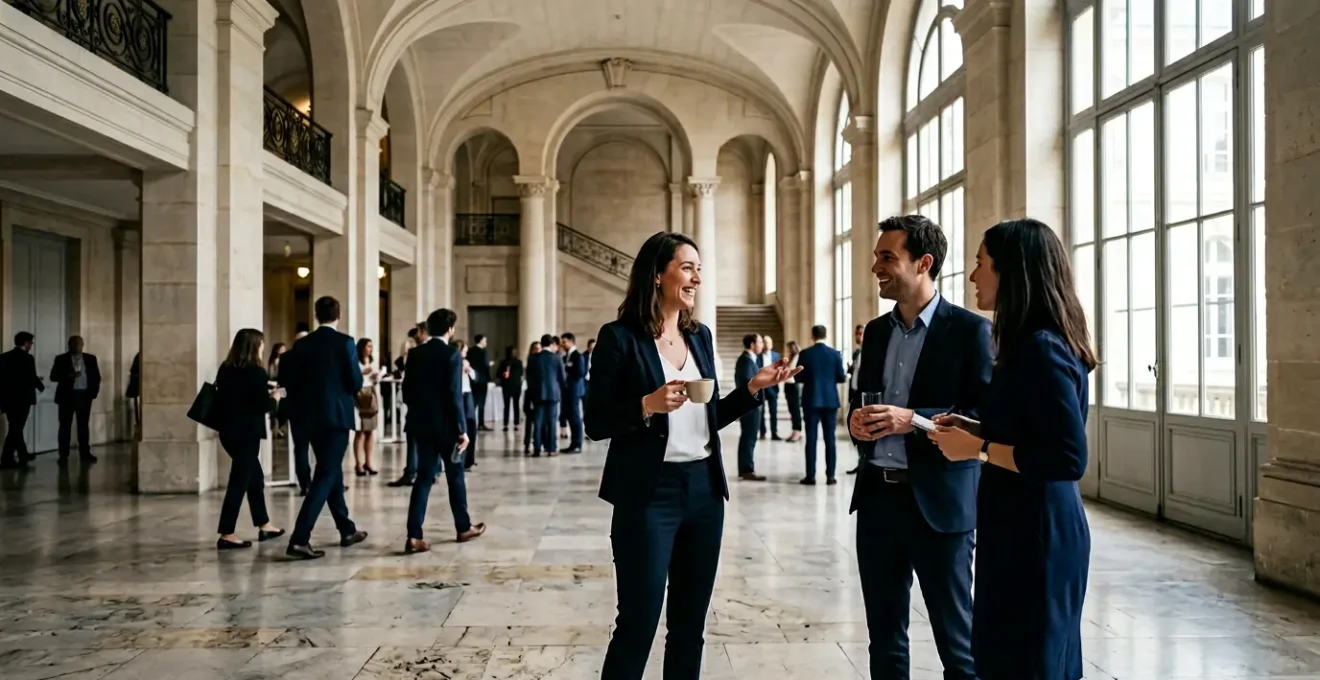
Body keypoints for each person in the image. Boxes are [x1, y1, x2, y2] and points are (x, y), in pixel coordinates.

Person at [586, 231, 798, 680]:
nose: (697, 278)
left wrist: (752, 390)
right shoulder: (619, 338)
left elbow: (709, 417)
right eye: (687, 267)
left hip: (703, 491)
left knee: (689, 627)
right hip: (648, 494)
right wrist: (646, 404)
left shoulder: (698, 336)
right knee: (639, 622)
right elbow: (595, 422)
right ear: (657, 274)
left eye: (699, 269)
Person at [928, 218, 1095, 680]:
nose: (972, 276)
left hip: (1039, 531)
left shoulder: (1041, 347)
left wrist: (977, 448)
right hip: (1019, 523)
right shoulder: (1028, 344)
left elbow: (1066, 458)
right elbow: (1032, 429)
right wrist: (975, 426)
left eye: (981, 264)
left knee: (1030, 661)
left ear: (1013, 272)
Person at [847, 215, 993, 680]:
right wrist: (856, 421)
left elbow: (982, 417)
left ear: (924, 263)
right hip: (877, 500)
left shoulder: (970, 331)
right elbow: (863, 403)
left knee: (958, 642)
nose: (876, 267)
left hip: (941, 502)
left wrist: (914, 420)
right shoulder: (877, 332)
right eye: (876, 256)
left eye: (887, 257)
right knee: (884, 638)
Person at [284, 296, 369, 560]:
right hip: (335, 417)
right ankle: (299, 539)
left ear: (316, 314)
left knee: (332, 473)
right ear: (338, 314)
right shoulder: (344, 342)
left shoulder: (302, 344)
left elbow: (292, 380)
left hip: (308, 417)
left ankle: (346, 529)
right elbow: (355, 381)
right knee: (325, 475)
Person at [402, 308, 485, 552]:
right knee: (455, 476)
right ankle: (463, 527)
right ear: (450, 330)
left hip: (421, 425)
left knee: (424, 478)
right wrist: (461, 429)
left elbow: (407, 392)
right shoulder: (451, 355)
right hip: (447, 428)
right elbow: (453, 395)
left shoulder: (415, 354)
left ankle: (414, 534)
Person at [213, 328, 284, 550]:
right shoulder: (256, 372)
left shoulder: (225, 369)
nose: (263, 347)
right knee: (239, 481)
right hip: (246, 434)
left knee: (255, 478)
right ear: (255, 346)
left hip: (228, 432)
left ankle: (264, 524)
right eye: (261, 343)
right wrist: (275, 397)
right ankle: (227, 533)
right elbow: (261, 406)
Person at [796, 325, 847, 485]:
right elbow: (841, 377)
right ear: (826, 335)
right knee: (830, 439)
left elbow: (798, 378)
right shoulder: (835, 354)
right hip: (830, 401)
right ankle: (830, 476)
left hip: (811, 400)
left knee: (810, 438)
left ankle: (810, 476)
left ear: (812, 335)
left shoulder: (805, 354)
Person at [50, 335, 101, 465]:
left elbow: (96, 377)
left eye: (79, 344)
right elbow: (53, 376)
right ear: (69, 345)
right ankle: (63, 455)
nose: (77, 347)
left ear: (83, 345)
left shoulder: (90, 359)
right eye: (74, 344)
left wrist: (93, 393)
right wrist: (68, 375)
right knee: (65, 427)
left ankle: (85, 453)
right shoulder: (61, 359)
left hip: (84, 396)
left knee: (83, 426)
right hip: (67, 397)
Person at [390, 323, 430, 488]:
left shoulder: (416, 353)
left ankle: (411, 472)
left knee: (413, 439)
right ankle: (429, 472)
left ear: (423, 332)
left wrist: (409, 400)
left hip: (417, 404)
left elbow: (408, 383)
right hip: (432, 405)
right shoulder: (445, 352)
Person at [0, 332, 44, 469]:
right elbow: (31, 377)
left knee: (15, 428)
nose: (31, 345)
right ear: (25, 343)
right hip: (23, 399)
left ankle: (21, 455)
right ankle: (8, 459)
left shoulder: (3, 357)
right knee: (16, 429)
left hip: (8, 399)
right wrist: (40, 385)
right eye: (30, 343)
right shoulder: (28, 358)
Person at [279, 331, 312, 494]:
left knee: (301, 448)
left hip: (295, 409)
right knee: (322, 449)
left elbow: (282, 386)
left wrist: (283, 407)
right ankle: (325, 483)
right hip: (316, 408)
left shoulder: (285, 358)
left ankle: (305, 483)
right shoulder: (316, 357)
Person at [733, 334, 767, 482]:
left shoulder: (750, 359)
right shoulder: (746, 361)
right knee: (749, 437)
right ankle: (746, 469)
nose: (762, 345)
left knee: (750, 437)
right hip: (749, 407)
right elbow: (748, 386)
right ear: (752, 344)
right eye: (760, 342)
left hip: (751, 406)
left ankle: (747, 468)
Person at [527, 333, 566, 457]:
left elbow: (529, 378)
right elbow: (562, 377)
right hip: (553, 394)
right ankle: (551, 448)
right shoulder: (557, 357)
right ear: (552, 344)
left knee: (538, 423)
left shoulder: (533, 358)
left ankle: (537, 448)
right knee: (551, 422)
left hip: (537, 394)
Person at [352, 338, 380, 477]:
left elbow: (374, 379)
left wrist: (376, 376)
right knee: (360, 432)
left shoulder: (372, 361)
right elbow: (352, 379)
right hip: (360, 394)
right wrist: (362, 374)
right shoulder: (355, 362)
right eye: (368, 346)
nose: (370, 349)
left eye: (371, 346)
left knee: (370, 431)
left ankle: (368, 462)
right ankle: (358, 464)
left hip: (371, 393)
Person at [454, 340, 480, 469]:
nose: (466, 351)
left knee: (471, 426)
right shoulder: (453, 362)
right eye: (464, 349)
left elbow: (475, 377)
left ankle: (470, 459)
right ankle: (461, 459)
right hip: (459, 394)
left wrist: (468, 370)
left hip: (467, 394)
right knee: (461, 427)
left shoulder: (466, 362)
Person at [560, 332, 586, 453]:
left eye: (564, 342)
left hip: (574, 390)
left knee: (575, 417)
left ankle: (577, 444)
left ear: (571, 341)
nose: (562, 344)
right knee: (570, 416)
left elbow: (581, 372)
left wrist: (569, 371)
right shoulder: (566, 356)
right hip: (567, 392)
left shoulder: (577, 356)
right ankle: (573, 443)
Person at [758, 336, 782, 440]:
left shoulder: (777, 356)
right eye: (765, 342)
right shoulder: (758, 356)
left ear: (771, 344)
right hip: (761, 387)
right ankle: (762, 433)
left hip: (772, 388)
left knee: (773, 412)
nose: (767, 344)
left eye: (768, 342)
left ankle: (774, 433)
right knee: (761, 412)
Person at [497, 346, 524, 431]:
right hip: (511, 385)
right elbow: (498, 374)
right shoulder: (507, 362)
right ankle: (508, 423)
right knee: (510, 405)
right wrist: (503, 375)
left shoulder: (517, 362)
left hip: (512, 386)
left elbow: (521, 373)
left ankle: (513, 423)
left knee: (512, 405)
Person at [469, 335, 492, 431]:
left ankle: (471, 423)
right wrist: (490, 378)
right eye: (485, 340)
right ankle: (481, 423)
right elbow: (485, 366)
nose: (486, 342)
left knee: (473, 402)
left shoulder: (470, 351)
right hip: (482, 379)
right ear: (481, 340)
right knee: (481, 403)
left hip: (473, 379)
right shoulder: (483, 351)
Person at [521, 341, 540, 454]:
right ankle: (528, 443)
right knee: (529, 421)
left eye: (539, 348)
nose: (537, 351)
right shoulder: (531, 362)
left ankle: (537, 442)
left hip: (538, 395)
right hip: (531, 395)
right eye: (535, 349)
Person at [782, 341, 803, 443]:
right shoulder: (790, 358)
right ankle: (794, 430)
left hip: (793, 385)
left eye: (788, 349)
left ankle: (798, 431)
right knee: (791, 409)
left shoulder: (797, 357)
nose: (787, 351)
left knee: (795, 409)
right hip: (788, 385)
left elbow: (792, 372)